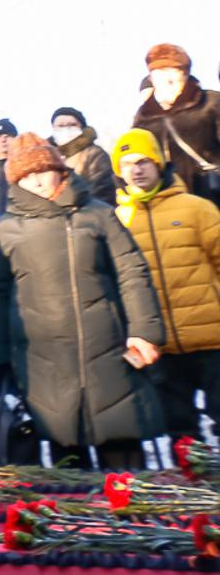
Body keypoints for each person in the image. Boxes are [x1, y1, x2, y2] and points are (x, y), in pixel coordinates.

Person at [0, 132, 163, 469]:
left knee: (124, 459)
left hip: (109, 353)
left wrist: (145, 330)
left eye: (41, 170)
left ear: (59, 169)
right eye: (25, 175)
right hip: (42, 362)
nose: (35, 180)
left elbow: (132, 271)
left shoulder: (98, 214)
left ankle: (137, 520)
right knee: (69, 464)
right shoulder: (5, 228)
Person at [111, 127, 220, 441]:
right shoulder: (118, 221)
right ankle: (191, 486)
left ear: (158, 163)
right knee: (180, 431)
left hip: (212, 338)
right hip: (163, 346)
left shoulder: (196, 208)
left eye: (143, 160)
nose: (137, 169)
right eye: (128, 163)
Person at [134, 44, 220, 204]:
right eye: (159, 72)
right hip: (171, 205)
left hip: (213, 196)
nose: (167, 79)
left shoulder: (211, 103)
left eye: (174, 70)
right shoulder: (143, 117)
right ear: (151, 77)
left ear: (186, 74)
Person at [49, 107, 116, 204]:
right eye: (60, 126)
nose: (66, 129)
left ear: (82, 127)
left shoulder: (94, 154)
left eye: (72, 125)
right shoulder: (48, 156)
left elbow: (102, 190)